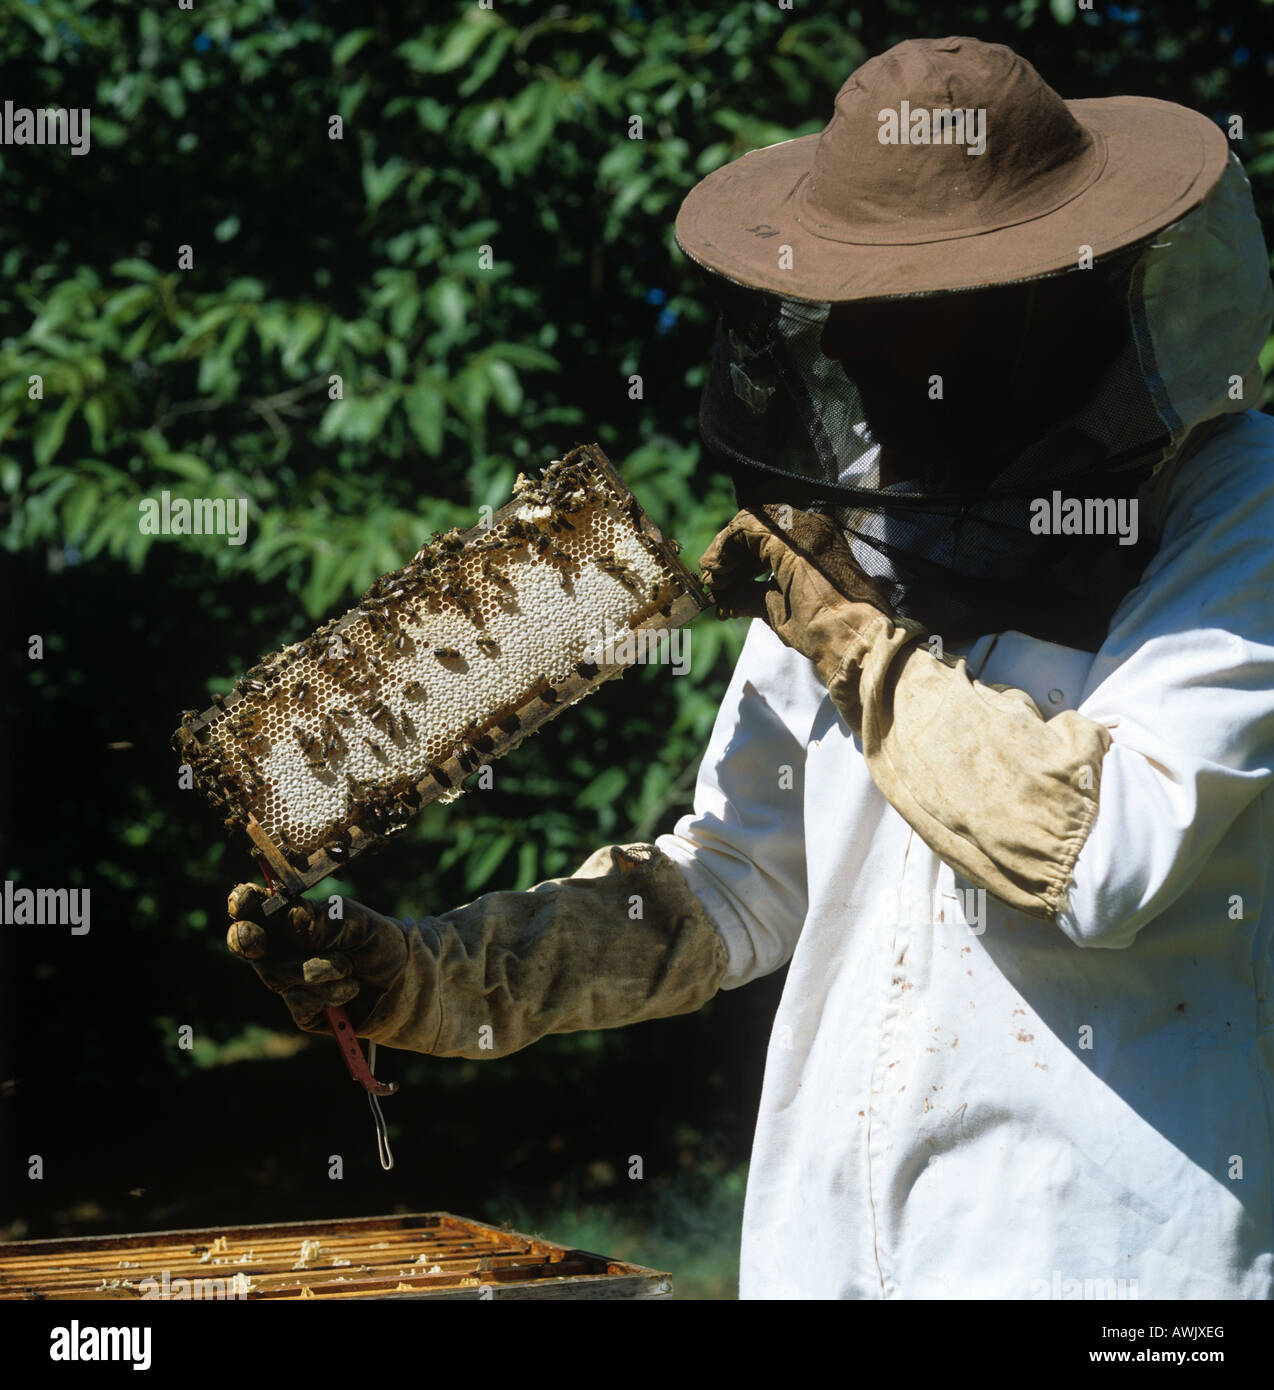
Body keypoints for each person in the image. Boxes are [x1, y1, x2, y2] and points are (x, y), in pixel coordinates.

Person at [227, 37, 1274, 1299]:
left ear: (1055, 290)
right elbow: (727, 887)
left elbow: (1104, 851)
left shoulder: (1235, 508)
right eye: (857, 306)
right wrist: (439, 974)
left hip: (1106, 1267)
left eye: (919, 304)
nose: (871, 350)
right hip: (824, 1262)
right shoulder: (859, 523)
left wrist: (841, 630)